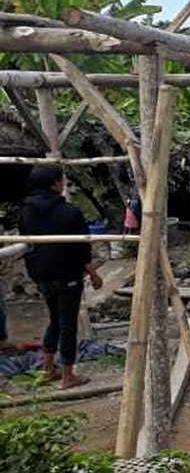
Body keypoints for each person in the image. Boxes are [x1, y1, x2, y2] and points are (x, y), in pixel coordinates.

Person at [19, 166, 103, 389]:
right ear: (55, 183)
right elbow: (82, 249)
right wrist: (93, 274)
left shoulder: (26, 211)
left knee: (55, 319)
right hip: (67, 274)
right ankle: (68, 375)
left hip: (41, 274)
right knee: (68, 323)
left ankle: (48, 368)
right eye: (62, 179)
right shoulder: (70, 212)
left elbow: (27, 243)